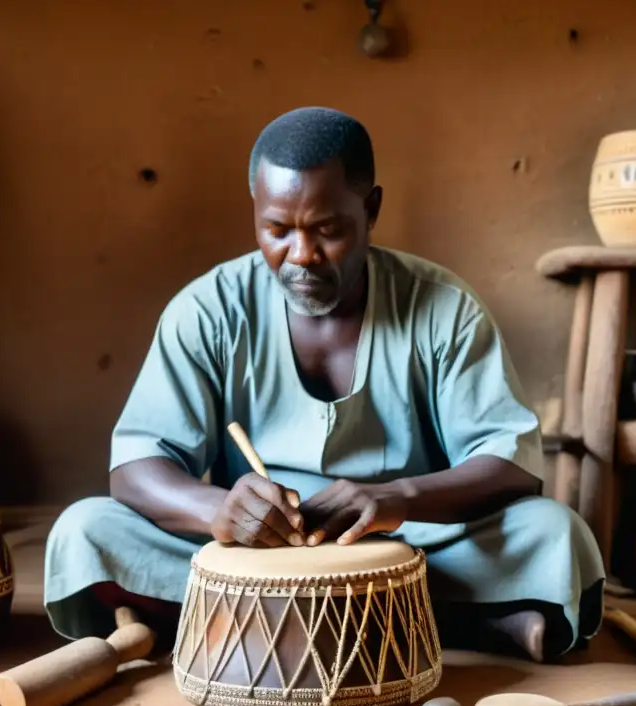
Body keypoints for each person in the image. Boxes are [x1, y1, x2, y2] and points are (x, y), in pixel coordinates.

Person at [43, 106, 606, 663]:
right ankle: (447, 623)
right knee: (86, 530)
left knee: (555, 534)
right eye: (277, 230)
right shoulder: (208, 310)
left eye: (328, 230)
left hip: (410, 548)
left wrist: (396, 499)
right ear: (256, 215)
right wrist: (217, 508)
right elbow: (136, 467)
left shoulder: (443, 309)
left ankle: (249, 625)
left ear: (372, 209)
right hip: (255, 556)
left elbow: (513, 463)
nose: (301, 256)